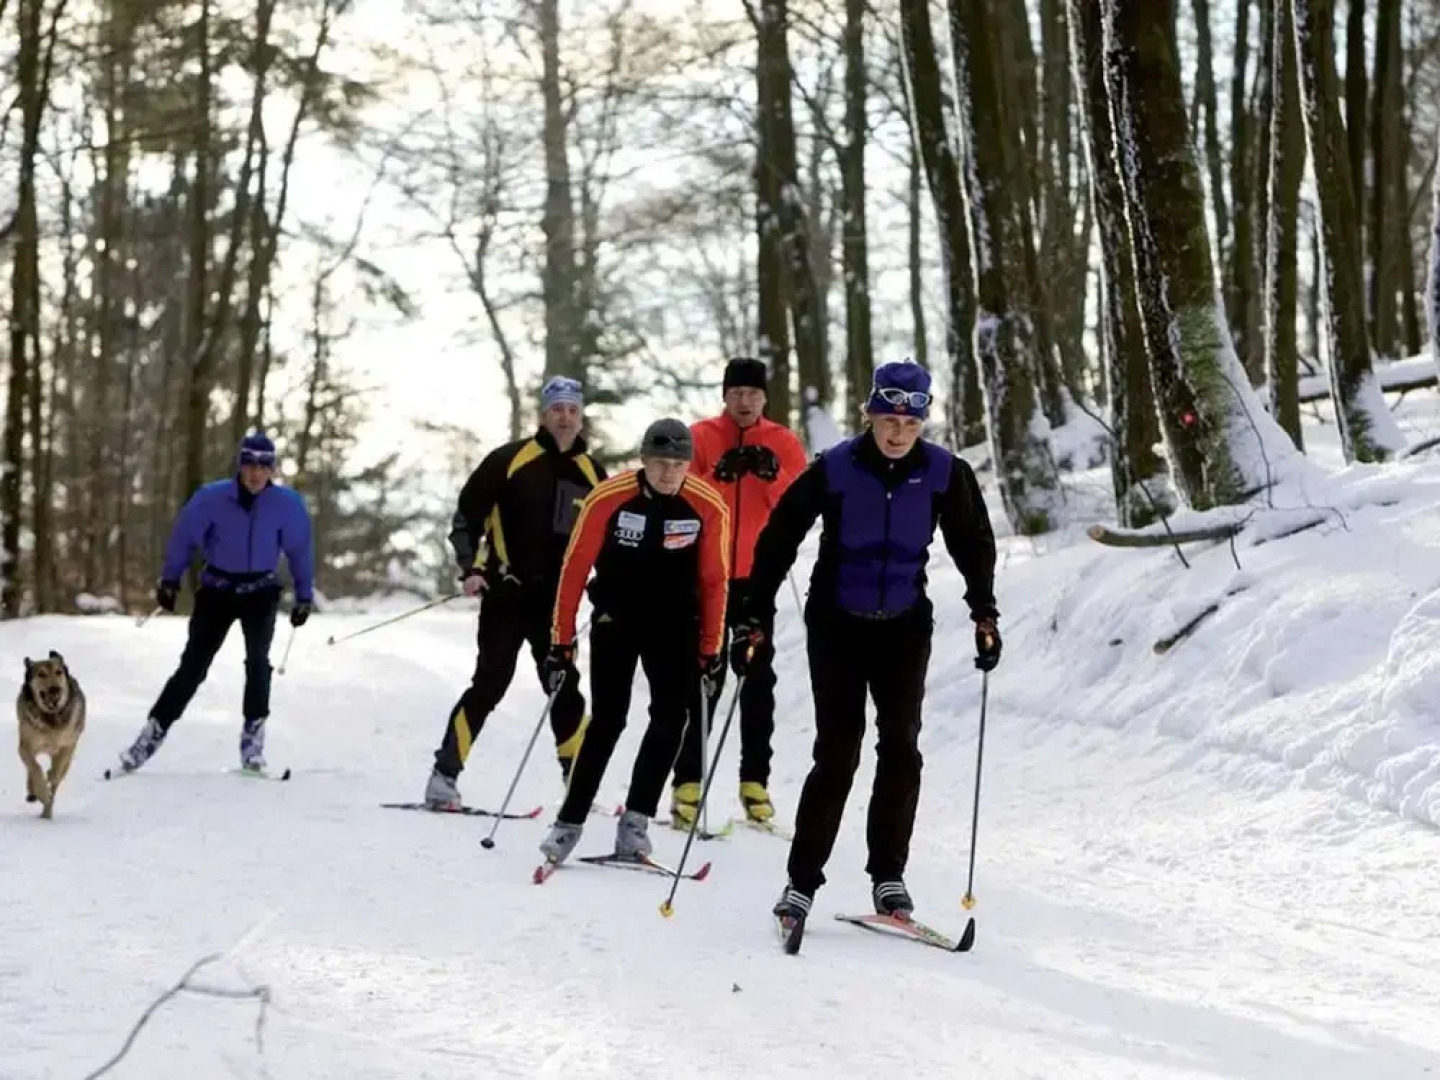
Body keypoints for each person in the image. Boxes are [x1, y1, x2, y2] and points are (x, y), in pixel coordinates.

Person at [735, 360, 1001, 923]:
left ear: (924, 422)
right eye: (888, 420)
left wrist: (984, 610)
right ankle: (800, 882)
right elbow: (780, 535)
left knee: (902, 748)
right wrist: (752, 613)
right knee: (838, 752)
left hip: (904, 622)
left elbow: (973, 541)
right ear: (870, 415)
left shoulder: (944, 472)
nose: (897, 432)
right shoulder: (834, 468)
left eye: (910, 423)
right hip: (837, 621)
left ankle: (888, 876)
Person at [537, 418, 730, 866]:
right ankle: (568, 824)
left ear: (689, 465)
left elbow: (715, 580)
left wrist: (711, 646)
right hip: (616, 618)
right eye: (660, 463)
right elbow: (574, 568)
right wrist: (560, 641)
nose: (668, 473)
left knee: (671, 718)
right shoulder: (609, 497)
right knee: (608, 720)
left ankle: (635, 826)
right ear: (643, 460)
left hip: (676, 622)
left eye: (678, 464)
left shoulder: (706, 504)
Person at [424, 375, 607, 809]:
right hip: (507, 593)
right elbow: (467, 518)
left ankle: (577, 786)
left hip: (557, 603)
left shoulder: (593, 474)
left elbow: (605, 539)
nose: (565, 417)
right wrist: (470, 568)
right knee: (489, 683)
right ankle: (443, 777)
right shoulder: (509, 460)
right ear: (543, 414)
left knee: (565, 688)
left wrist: (607, 585)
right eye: (557, 408)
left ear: (581, 418)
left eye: (572, 410)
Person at [115, 433, 315, 774]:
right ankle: (151, 735)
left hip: (260, 591)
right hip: (217, 589)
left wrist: (304, 595)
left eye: (263, 467)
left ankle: (253, 741)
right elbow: (184, 537)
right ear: (240, 466)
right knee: (192, 668)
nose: (255, 474)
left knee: (258, 663)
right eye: (250, 465)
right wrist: (170, 579)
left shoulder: (287, 504)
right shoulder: (212, 498)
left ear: (272, 470)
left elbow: (300, 549)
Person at [668, 356, 808, 830]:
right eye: (736, 394)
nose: (744, 402)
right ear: (724, 396)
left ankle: (755, 783)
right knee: (704, 672)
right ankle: (687, 782)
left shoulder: (783, 441)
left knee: (757, 677)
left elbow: (798, 507)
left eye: (752, 394)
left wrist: (772, 476)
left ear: (764, 398)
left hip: (757, 577)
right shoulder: (701, 436)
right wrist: (719, 477)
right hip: (706, 574)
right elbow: (679, 496)